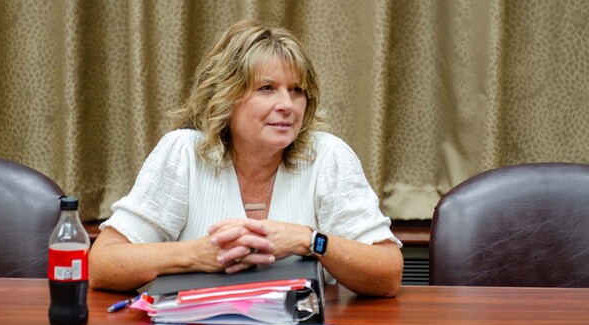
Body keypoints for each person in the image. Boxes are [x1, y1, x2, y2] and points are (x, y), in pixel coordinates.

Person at [89, 20, 403, 296]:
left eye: (296, 90)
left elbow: (387, 273)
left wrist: (310, 240)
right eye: (267, 88)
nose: (287, 105)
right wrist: (195, 255)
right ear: (227, 95)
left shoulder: (327, 157)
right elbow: (102, 265)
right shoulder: (183, 153)